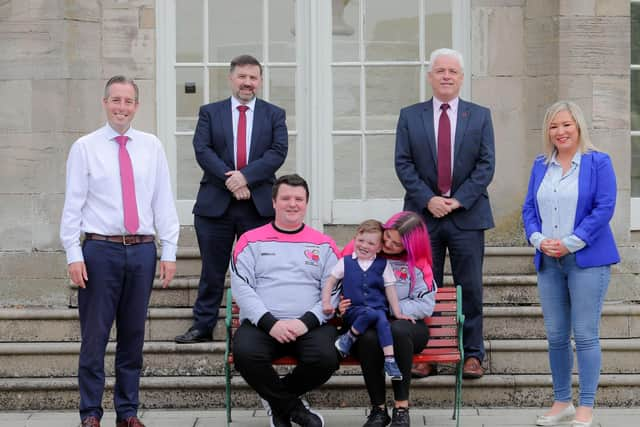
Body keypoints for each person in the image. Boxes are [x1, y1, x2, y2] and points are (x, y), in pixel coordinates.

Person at [60, 76, 180, 427]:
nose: (121, 108)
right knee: (94, 337)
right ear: (105, 102)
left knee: (133, 336)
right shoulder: (85, 147)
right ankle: (91, 413)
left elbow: (163, 201)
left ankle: (127, 411)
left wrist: (169, 250)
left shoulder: (151, 146)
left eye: (128, 101)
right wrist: (72, 252)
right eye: (115, 100)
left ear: (136, 106)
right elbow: (73, 204)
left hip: (142, 251)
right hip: (100, 250)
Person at [394, 47, 495, 379]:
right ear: (430, 76)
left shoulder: (479, 115)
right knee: (424, 286)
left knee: (471, 288)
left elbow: (486, 165)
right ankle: (426, 353)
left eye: (453, 71)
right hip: (424, 219)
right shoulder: (410, 115)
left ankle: (472, 355)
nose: (447, 76)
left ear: (462, 77)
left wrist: (457, 200)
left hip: (467, 215)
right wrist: (429, 200)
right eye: (440, 71)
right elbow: (403, 163)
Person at [175, 54, 288, 344]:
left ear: (260, 81)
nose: (247, 82)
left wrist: (246, 177)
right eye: (242, 76)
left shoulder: (274, 114)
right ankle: (202, 326)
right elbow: (202, 150)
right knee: (212, 270)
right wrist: (231, 180)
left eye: (253, 77)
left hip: (258, 205)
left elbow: (277, 152)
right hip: (216, 205)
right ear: (231, 78)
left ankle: (259, 327)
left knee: (259, 272)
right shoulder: (210, 112)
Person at [522, 101, 619, 427]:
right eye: (553, 126)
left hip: (587, 261)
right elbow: (528, 210)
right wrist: (539, 240)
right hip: (549, 262)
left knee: (586, 335)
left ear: (578, 127)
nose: (560, 132)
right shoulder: (540, 165)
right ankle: (562, 401)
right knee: (556, 336)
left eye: (566, 125)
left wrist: (570, 243)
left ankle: (586, 407)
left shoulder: (598, 162)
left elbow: (604, 208)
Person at [231, 174, 340, 427]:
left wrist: (306, 322)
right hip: (262, 324)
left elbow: (333, 290)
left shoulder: (324, 244)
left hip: (310, 325)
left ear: (306, 203)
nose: (293, 204)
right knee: (245, 353)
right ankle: (293, 408)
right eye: (286, 198)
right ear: (273, 202)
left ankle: (276, 400)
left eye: (299, 199)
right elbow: (242, 287)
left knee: (328, 357)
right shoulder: (249, 241)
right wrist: (270, 323)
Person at [340, 211, 436, 427]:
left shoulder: (418, 263)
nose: (388, 244)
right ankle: (378, 410)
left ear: (410, 247)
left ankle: (401, 408)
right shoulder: (362, 248)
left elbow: (425, 304)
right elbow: (337, 281)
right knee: (368, 337)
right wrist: (339, 303)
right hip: (366, 325)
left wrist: (388, 310)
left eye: (396, 243)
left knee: (398, 331)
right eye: (387, 237)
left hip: (407, 328)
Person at [322, 219, 411, 381]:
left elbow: (390, 289)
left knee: (382, 320)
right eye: (361, 240)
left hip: (377, 309)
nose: (364, 245)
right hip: (353, 310)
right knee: (374, 314)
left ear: (379, 247)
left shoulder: (383, 264)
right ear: (355, 238)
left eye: (371, 243)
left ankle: (390, 360)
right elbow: (330, 283)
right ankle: (347, 339)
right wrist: (327, 303)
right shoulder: (346, 262)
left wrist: (397, 313)